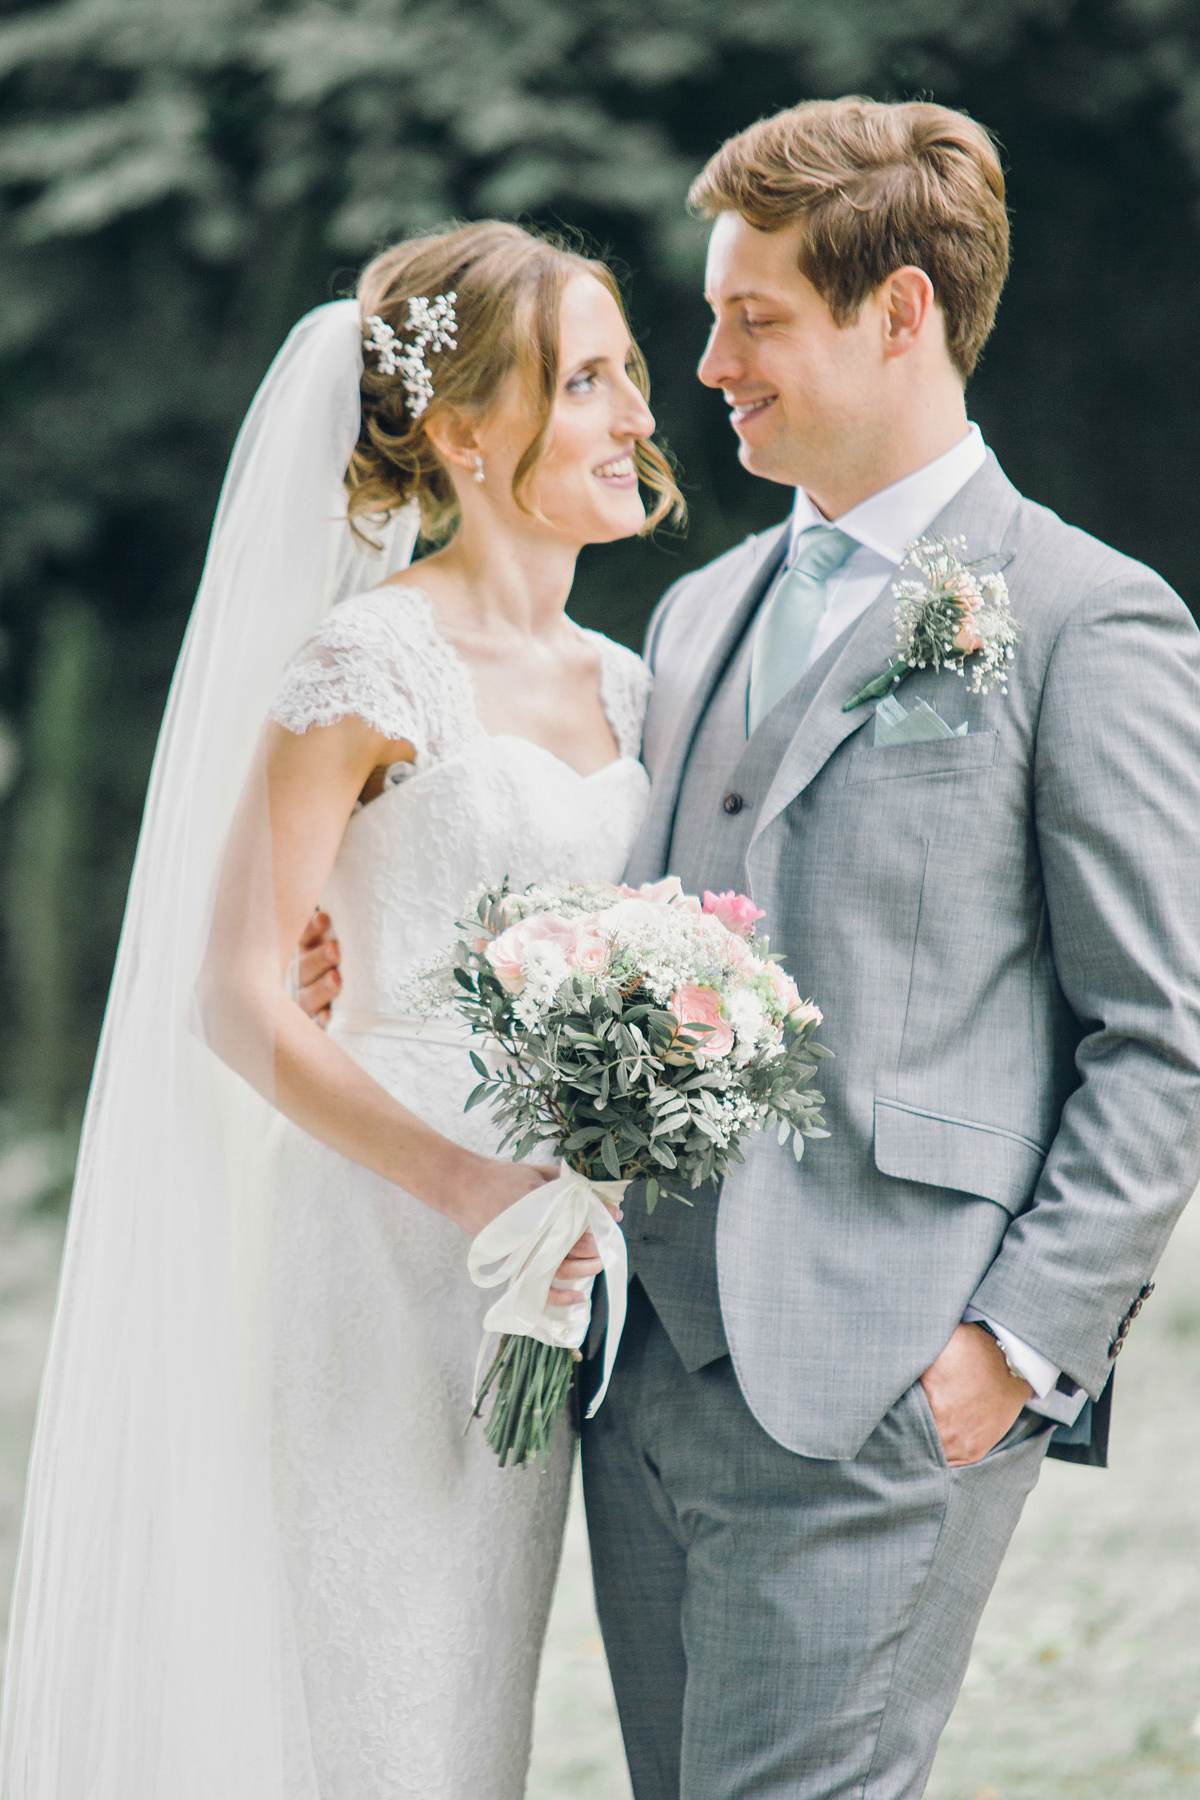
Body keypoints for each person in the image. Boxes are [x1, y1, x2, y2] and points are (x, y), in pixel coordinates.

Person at [0, 219, 682, 1800]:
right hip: (383, 1243)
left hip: (546, 1265)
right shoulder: (366, 662)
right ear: (463, 431)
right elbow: (240, 998)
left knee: (469, 1720)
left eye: (627, 376)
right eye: (586, 382)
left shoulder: (633, 684)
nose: (636, 417)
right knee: (365, 1705)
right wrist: (470, 1188)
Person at [571, 98, 1200, 1799]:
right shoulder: (698, 610)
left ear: (901, 310)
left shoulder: (1084, 616)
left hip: (886, 1389)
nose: (707, 364)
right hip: (644, 1389)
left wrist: (1018, 1346)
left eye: (753, 316)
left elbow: (1163, 1033)